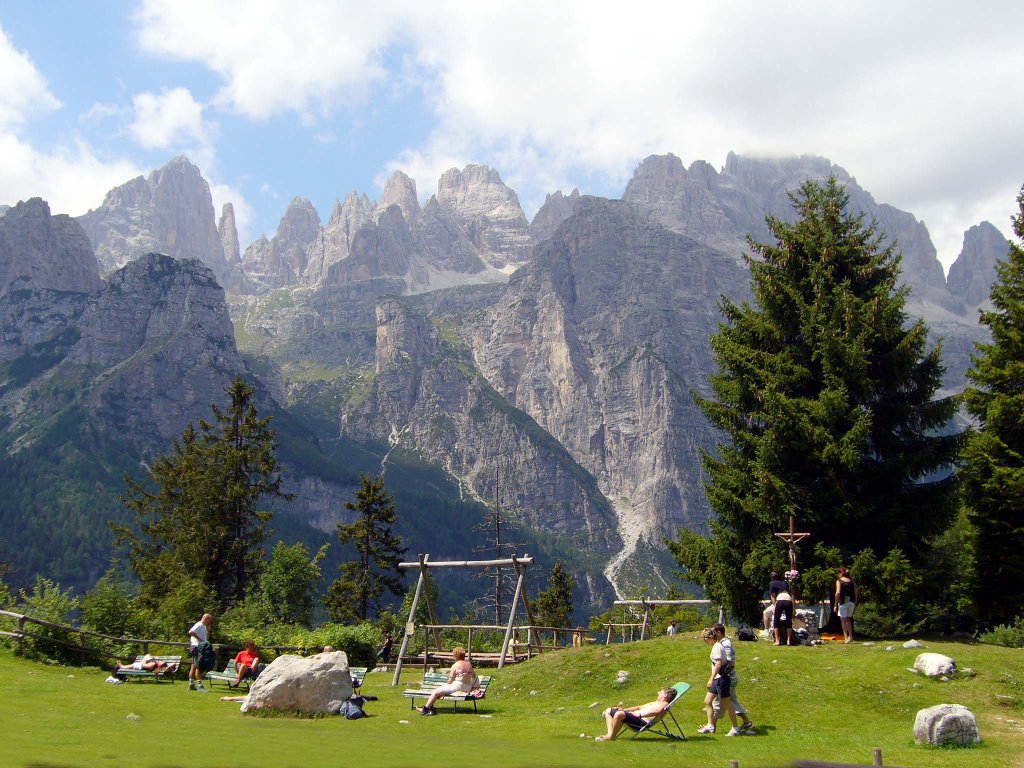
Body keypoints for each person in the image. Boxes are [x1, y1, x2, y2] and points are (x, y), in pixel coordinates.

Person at [710, 624, 755, 733]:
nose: (712, 635)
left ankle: (712, 726)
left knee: (721, 701)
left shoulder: (725, 644)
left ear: (719, 633)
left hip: (727, 677)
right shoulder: (723, 642)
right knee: (731, 700)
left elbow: (729, 662)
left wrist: (721, 675)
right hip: (727, 677)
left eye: (714, 632)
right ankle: (746, 722)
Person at [698, 626, 741, 736]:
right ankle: (710, 725)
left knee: (727, 703)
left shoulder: (717, 647)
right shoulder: (717, 646)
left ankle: (735, 728)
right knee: (708, 701)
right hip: (718, 678)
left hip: (721, 679)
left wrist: (711, 679)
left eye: (705, 639)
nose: (705, 641)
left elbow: (718, 664)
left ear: (710, 638)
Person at [595, 687, 677, 741]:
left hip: (641, 722)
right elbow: (638, 707)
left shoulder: (664, 704)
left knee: (619, 715)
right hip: (634, 717)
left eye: (661, 692)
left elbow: (657, 712)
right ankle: (610, 735)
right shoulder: (655, 702)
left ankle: (611, 738)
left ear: (665, 695)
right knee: (609, 710)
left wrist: (640, 715)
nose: (658, 692)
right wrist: (624, 709)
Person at [416, 647, 478, 716]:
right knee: (442, 690)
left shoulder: (455, 665)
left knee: (436, 692)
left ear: (456, 656)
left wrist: (448, 683)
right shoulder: (469, 664)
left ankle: (425, 709)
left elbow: (450, 680)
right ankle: (431, 708)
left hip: (458, 686)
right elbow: (474, 676)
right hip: (467, 687)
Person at [187, 613, 213, 691]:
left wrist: (208, 631)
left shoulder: (204, 627)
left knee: (194, 666)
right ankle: (200, 686)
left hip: (200, 647)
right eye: (210, 620)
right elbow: (191, 632)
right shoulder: (199, 625)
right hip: (197, 647)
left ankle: (191, 684)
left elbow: (206, 639)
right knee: (199, 666)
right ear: (206, 619)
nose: (210, 622)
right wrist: (200, 640)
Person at [835, 566, 859, 643]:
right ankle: (851, 636)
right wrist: (855, 603)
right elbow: (856, 592)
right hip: (851, 602)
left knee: (843, 620)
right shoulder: (852, 581)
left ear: (840, 574)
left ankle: (846, 638)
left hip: (843, 602)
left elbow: (838, 592)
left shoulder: (839, 581)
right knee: (848, 619)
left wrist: (835, 604)